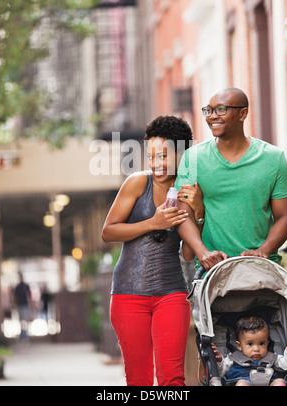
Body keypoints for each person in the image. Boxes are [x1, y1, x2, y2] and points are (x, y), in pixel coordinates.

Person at [102, 115, 205, 386]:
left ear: (181, 153)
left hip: (171, 293)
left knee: (173, 380)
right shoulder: (138, 183)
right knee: (140, 380)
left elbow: (187, 255)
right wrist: (153, 223)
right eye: (151, 156)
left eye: (164, 156)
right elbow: (108, 231)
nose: (156, 164)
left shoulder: (188, 191)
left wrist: (200, 212)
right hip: (128, 294)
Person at [175, 87, 287, 271]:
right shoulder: (193, 158)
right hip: (212, 274)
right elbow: (182, 215)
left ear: (242, 113)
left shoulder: (273, 158)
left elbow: (286, 216)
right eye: (208, 110)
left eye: (221, 109)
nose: (212, 116)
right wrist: (202, 252)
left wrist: (264, 250)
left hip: (263, 271)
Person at [212, 316, 287, 386]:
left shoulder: (272, 357)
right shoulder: (233, 358)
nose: (256, 349)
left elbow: (286, 366)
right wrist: (219, 361)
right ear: (239, 346)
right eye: (250, 344)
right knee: (241, 383)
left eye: (261, 343)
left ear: (267, 343)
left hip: (268, 382)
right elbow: (220, 372)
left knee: (280, 381)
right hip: (244, 382)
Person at [13, 272, 32, 339]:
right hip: (19, 305)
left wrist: (31, 304)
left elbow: (29, 296)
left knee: (25, 320)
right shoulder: (17, 287)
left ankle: (25, 334)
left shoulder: (26, 286)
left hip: (25, 305)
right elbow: (15, 296)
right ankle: (22, 334)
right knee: (21, 320)